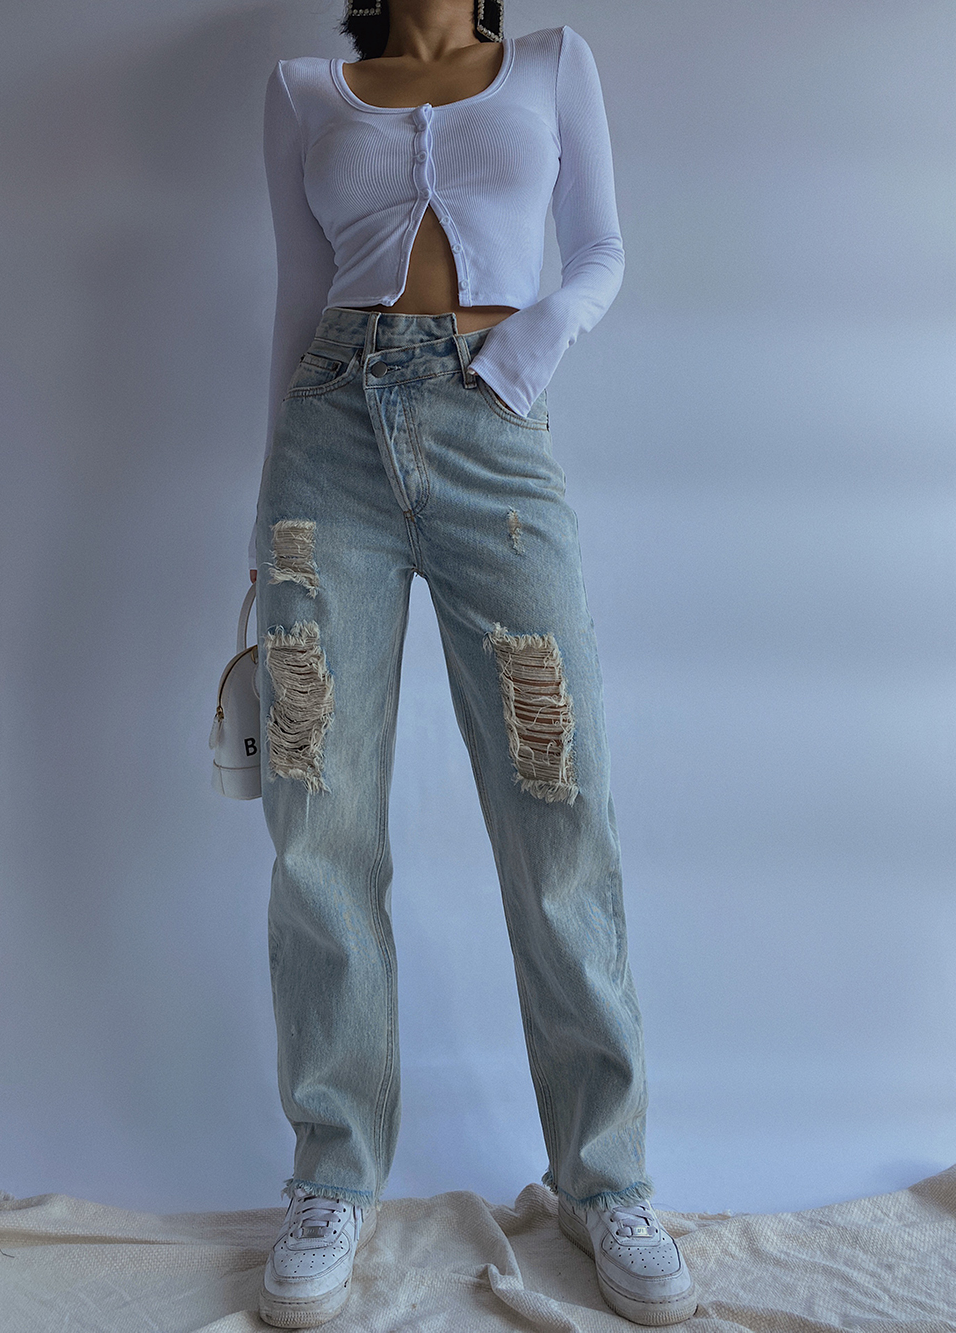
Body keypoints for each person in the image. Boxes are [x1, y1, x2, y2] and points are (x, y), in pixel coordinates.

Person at [252, 1, 697, 1325]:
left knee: (557, 803)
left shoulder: (553, 64)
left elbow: (600, 251)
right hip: (326, 447)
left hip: (494, 430)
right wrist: (262, 531)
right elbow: (294, 298)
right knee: (317, 819)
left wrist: (522, 355)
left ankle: (605, 1181)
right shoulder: (303, 90)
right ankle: (332, 1175)